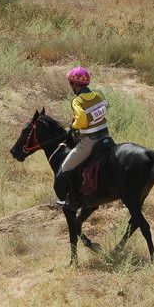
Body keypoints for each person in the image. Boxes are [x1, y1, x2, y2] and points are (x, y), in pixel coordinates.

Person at [55, 66, 111, 209]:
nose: (71, 86)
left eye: (70, 84)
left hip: (90, 141)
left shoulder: (77, 101)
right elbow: (106, 107)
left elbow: (81, 121)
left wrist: (73, 126)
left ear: (74, 84)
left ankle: (73, 199)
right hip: (106, 136)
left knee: (66, 166)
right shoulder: (98, 95)